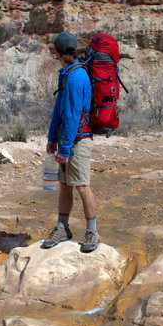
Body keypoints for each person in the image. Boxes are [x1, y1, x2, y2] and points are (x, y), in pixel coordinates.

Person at [42, 31, 100, 253]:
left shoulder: (76, 77)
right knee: (65, 185)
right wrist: (52, 138)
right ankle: (62, 227)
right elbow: (59, 109)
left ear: (58, 51)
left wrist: (64, 148)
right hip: (67, 139)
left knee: (83, 186)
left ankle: (92, 232)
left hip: (78, 141)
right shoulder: (66, 73)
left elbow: (74, 115)